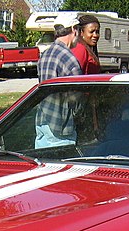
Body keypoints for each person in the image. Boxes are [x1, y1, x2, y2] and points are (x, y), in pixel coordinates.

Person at [35, 12, 83, 147]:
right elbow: (76, 99)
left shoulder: (45, 54)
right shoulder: (70, 59)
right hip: (61, 125)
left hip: (42, 119)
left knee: (41, 165)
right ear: (74, 29)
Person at [37, 12, 82, 82]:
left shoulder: (44, 55)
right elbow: (77, 91)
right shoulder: (69, 59)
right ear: (74, 29)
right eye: (79, 29)